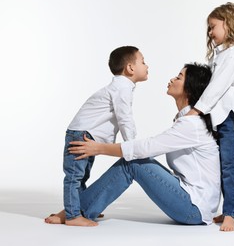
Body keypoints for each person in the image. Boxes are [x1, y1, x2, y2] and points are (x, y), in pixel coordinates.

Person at [45, 62, 221, 226]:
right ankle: (79, 209)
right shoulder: (187, 120)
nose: (172, 79)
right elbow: (146, 150)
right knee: (135, 159)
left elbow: (146, 148)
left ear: (189, 89)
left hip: (194, 209)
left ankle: (75, 212)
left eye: (179, 77)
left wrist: (99, 148)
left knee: (133, 162)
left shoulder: (192, 124)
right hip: (193, 203)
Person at [46, 46, 149, 226]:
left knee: (82, 176)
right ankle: (72, 216)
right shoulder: (122, 88)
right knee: (75, 176)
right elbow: (125, 118)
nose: (147, 65)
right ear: (130, 68)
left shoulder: (122, 87)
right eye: (143, 61)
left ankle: (79, 208)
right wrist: (131, 145)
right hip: (82, 135)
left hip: (87, 135)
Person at [187, 2, 234, 231]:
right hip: (221, 118)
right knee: (224, 164)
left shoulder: (233, 53)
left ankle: (231, 213)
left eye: (213, 26)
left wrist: (197, 109)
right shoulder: (221, 54)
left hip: (230, 118)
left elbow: (218, 85)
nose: (210, 32)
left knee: (229, 166)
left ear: (228, 24)